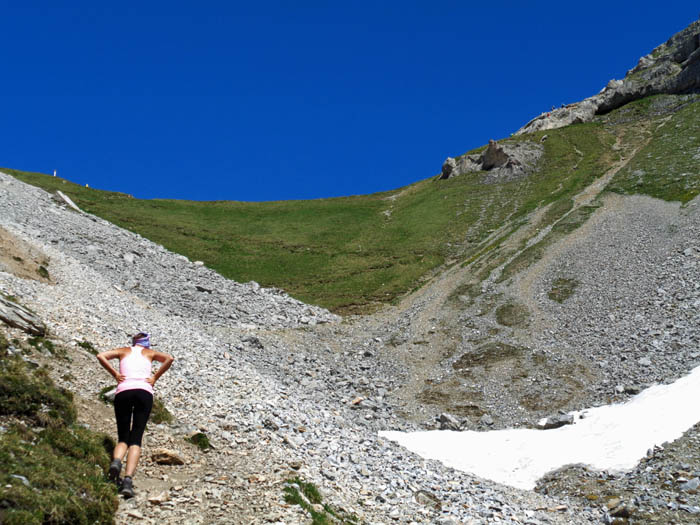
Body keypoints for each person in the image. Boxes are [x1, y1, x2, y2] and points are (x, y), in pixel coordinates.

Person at [96, 332, 174, 498]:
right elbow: (170, 359)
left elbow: (100, 355)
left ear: (133, 343)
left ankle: (116, 462)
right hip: (144, 392)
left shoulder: (123, 351)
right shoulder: (150, 353)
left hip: (124, 390)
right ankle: (128, 481)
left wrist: (115, 374)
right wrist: (154, 377)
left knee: (123, 437)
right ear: (146, 344)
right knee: (136, 438)